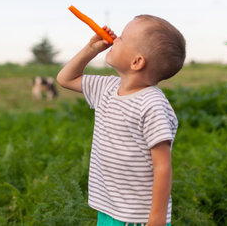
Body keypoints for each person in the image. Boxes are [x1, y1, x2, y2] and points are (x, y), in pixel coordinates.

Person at [57, 14, 186, 226]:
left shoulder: (152, 104)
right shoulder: (106, 88)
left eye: (123, 38)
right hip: (109, 208)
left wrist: (157, 220)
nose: (115, 39)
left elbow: (162, 166)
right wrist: (91, 49)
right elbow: (65, 78)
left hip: (137, 217)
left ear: (136, 62)